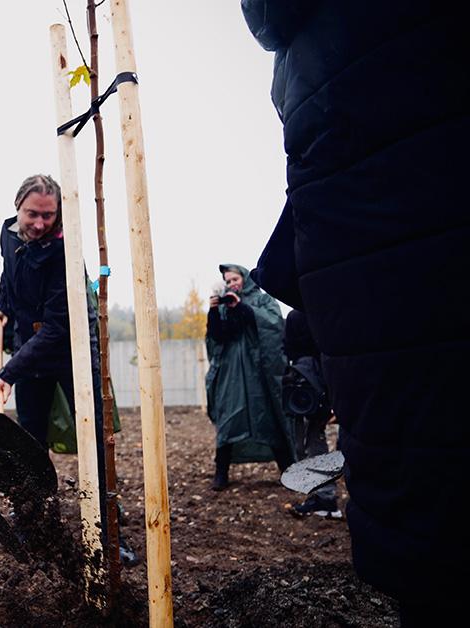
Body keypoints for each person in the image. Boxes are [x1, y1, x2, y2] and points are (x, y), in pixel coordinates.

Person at [241, 2, 467, 623]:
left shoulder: (304, 62)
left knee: (422, 546)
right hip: (386, 319)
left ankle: (328, 494)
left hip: (361, 334)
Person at [0, 174, 137, 565]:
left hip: (71, 349)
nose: (39, 223)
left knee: (94, 440)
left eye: (48, 216)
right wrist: (2, 304)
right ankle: (36, 519)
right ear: (18, 208)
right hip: (30, 346)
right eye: (32, 214)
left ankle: (108, 529)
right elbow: (10, 274)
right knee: (31, 441)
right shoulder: (9, 235)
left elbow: (57, 328)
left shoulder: (65, 248)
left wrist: (8, 372)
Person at [205, 264, 294, 491]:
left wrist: (243, 307)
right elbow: (217, 338)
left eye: (235, 279)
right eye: (228, 281)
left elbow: (274, 325)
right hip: (230, 372)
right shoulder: (224, 304)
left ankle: (288, 469)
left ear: (244, 278)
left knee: (267, 417)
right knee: (227, 420)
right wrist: (214, 312)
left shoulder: (262, 300)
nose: (232, 284)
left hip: (258, 371)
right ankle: (221, 473)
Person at [282, 309, 341, 519]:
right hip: (304, 383)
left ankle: (326, 499)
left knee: (313, 441)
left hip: (314, 383)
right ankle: (320, 496)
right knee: (306, 441)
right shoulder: (297, 316)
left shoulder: (312, 314)